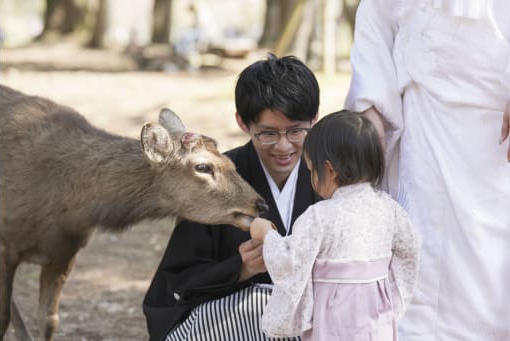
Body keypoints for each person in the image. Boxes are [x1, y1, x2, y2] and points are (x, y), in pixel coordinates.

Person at [344, 1, 510, 340]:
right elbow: (374, 22)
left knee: (490, 255)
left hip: (495, 122)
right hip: (422, 122)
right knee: (420, 241)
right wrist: (371, 114)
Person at [143, 53, 321, 341]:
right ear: (242, 122)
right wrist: (240, 269)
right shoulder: (211, 180)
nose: (284, 146)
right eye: (268, 133)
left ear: (314, 119)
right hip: (233, 324)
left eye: (296, 130)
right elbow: (179, 281)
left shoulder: (331, 174)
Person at [249, 110, 421, 340]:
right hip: (376, 315)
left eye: (311, 170)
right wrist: (390, 293)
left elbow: (289, 261)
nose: (311, 178)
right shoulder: (389, 209)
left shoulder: (320, 216)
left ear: (329, 170)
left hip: (333, 318)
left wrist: (267, 234)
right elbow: (410, 249)